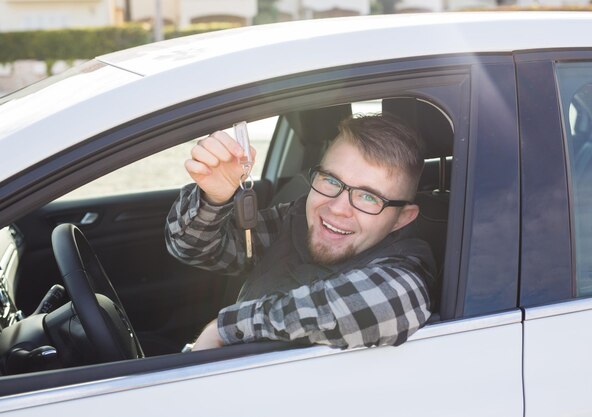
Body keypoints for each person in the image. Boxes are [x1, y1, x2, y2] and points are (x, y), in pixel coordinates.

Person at [165, 113, 435, 351]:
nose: (338, 209)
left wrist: (225, 329)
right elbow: (194, 248)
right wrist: (215, 198)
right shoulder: (294, 220)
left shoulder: (405, 267)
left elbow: (383, 305)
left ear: (402, 218)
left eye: (369, 198)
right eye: (331, 180)